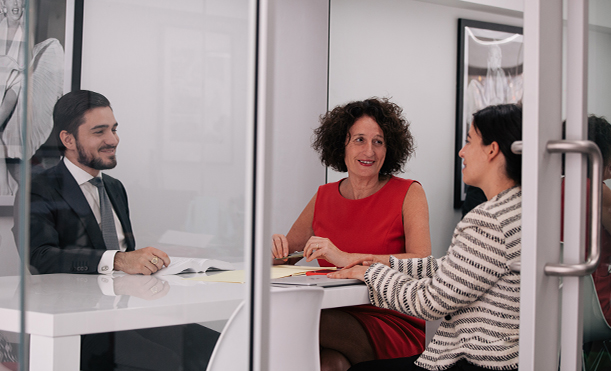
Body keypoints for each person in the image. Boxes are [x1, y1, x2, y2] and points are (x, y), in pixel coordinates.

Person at [14, 90, 219, 371]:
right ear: (68, 139)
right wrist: (121, 260)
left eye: (114, 129)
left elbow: (125, 260)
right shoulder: (38, 187)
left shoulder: (114, 188)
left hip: (129, 311)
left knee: (215, 346)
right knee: (170, 361)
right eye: (100, 131)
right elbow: (41, 257)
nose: (113, 140)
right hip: (83, 324)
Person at [332, 103, 522, 371]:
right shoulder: (518, 212)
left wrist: (370, 273)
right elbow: (450, 269)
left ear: (492, 150)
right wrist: (372, 262)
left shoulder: (487, 220)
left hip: (478, 362)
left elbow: (430, 301)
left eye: (469, 141)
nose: (462, 151)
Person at [271, 97, 432, 371]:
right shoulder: (323, 196)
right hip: (337, 313)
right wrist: (273, 249)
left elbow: (421, 262)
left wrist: (346, 257)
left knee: (296, 319)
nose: (369, 150)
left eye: (378, 141)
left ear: (389, 147)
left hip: (392, 319)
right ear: (341, 146)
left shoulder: (409, 192)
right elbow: (286, 258)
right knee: (329, 364)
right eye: (359, 139)